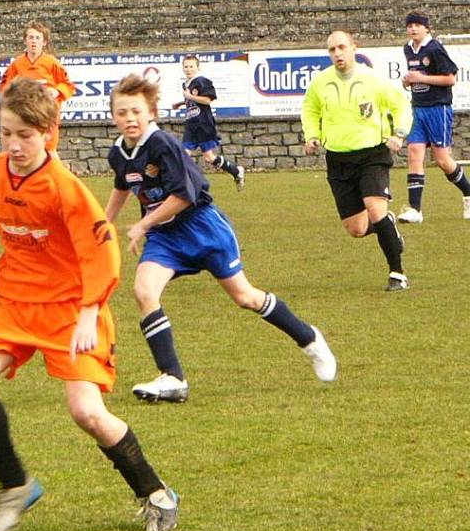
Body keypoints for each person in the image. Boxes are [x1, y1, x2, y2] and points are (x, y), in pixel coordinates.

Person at [0, 78, 179, 531]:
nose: (14, 145)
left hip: (70, 309)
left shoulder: (65, 188)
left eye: (25, 135)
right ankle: (14, 486)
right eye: (6, 133)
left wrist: (87, 312)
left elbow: (101, 252)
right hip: (15, 304)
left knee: (87, 413)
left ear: (49, 133)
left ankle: (154, 491)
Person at [105, 74, 337, 404]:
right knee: (144, 291)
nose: (129, 118)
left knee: (245, 297)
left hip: (201, 226)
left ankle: (309, 338)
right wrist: (104, 223)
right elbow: (121, 186)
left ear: (151, 112)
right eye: (122, 112)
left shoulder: (162, 144)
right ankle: (173, 378)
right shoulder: (119, 152)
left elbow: (183, 196)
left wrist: (142, 224)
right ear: (113, 116)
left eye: (136, 111)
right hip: (165, 236)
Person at [301, 30, 413, 292]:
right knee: (357, 229)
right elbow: (310, 109)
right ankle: (387, 226)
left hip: (372, 154)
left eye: (341, 47)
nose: (337, 53)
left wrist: (399, 134)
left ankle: (397, 273)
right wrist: (312, 136)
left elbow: (401, 106)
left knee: (375, 209)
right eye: (332, 50)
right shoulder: (320, 83)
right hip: (338, 159)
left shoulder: (372, 79)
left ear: (354, 48)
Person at [396, 11, 470, 223]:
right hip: (418, 108)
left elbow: (450, 79)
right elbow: (418, 77)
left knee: (442, 160)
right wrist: (408, 81)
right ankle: (415, 209)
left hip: (438, 108)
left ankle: (468, 192)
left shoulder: (435, 48)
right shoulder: (408, 49)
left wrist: (422, 78)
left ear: (427, 28)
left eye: (418, 25)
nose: (413, 28)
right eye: (410, 25)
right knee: (413, 152)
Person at [0, 20, 76, 160]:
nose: (34, 41)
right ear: (25, 40)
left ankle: (57, 180)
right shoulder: (16, 65)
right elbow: (5, 88)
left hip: (47, 116)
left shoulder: (52, 63)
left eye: (38, 38)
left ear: (44, 42)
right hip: (25, 117)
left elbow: (68, 84)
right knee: (27, 152)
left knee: (50, 151)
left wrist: (56, 91)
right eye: (31, 37)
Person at [172, 54, 245, 190]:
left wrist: (189, 96)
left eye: (191, 66)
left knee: (209, 158)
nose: (188, 69)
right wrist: (181, 103)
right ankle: (186, 185)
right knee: (184, 155)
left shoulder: (202, 81)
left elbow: (207, 100)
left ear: (198, 67)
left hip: (203, 124)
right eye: (186, 66)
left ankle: (236, 171)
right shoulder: (185, 84)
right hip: (191, 124)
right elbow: (193, 100)